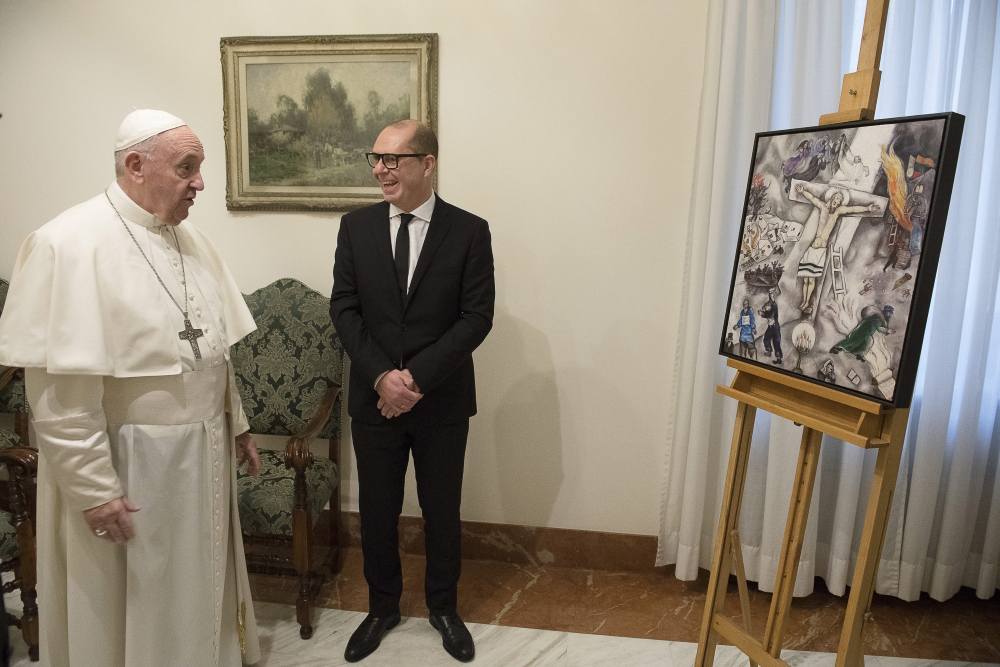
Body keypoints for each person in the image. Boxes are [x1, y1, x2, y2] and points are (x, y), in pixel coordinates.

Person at [0, 109, 262, 667]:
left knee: (195, 587)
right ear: (136, 165)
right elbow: (59, 393)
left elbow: (213, 352)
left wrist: (235, 425)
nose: (199, 182)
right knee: (132, 599)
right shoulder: (65, 244)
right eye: (186, 167)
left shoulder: (188, 239)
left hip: (202, 455)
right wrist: (95, 488)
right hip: (131, 465)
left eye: (200, 167)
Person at [330, 120, 495, 663]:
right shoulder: (355, 228)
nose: (380, 168)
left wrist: (414, 380)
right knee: (377, 510)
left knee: (441, 509)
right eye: (375, 158)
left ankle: (443, 608)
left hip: (441, 402)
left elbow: (476, 319)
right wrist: (382, 377)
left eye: (393, 159)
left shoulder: (470, 231)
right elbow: (344, 309)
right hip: (374, 400)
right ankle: (382, 608)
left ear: (428, 164)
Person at [759, 288, 782, 365]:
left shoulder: (774, 306)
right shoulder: (769, 304)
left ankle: (778, 358)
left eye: (772, 295)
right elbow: (764, 307)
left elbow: (770, 314)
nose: (771, 296)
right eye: (770, 295)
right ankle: (769, 351)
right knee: (766, 339)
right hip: (770, 327)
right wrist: (763, 310)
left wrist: (762, 314)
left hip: (775, 328)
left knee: (776, 342)